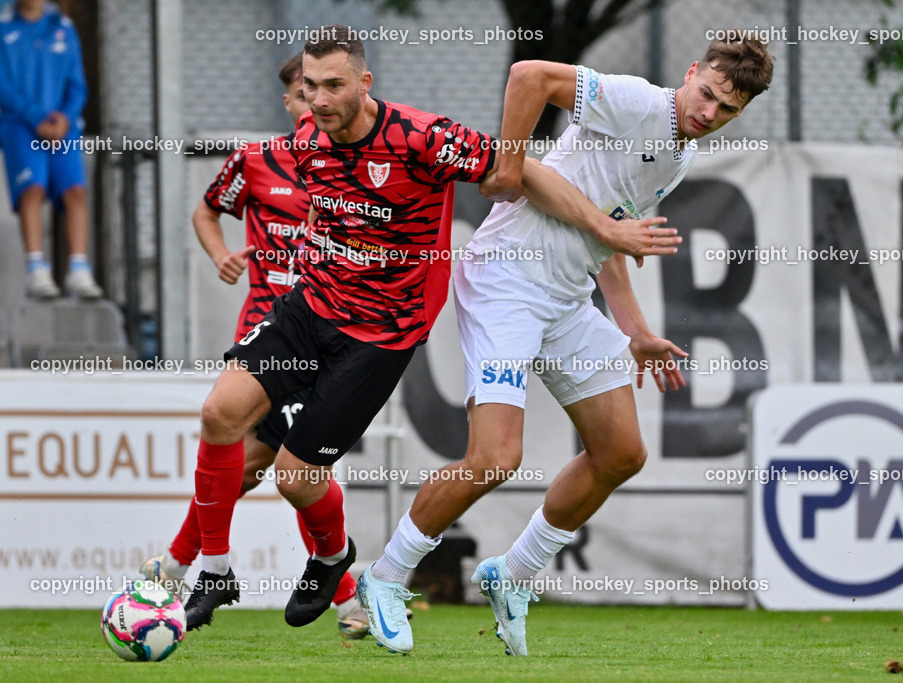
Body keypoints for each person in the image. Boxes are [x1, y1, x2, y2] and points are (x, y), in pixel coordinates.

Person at [178, 25, 677, 634]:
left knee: (296, 477)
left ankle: (337, 559)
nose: (320, 99)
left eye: (335, 85)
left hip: (380, 334)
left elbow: (517, 169)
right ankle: (213, 567)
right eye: (310, 87)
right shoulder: (308, 137)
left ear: (365, 83)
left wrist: (599, 224)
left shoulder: (422, 137)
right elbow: (325, 197)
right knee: (217, 415)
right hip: (310, 306)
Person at [358, 36, 775, 655]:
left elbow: (608, 245)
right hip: (506, 280)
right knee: (495, 457)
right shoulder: (638, 103)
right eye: (707, 93)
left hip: (564, 297)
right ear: (691, 73)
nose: (708, 112)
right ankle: (385, 577)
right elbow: (529, 75)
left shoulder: (678, 154)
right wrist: (508, 164)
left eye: (727, 110)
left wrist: (635, 331)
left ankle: (514, 573)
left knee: (621, 452)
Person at [139, 54, 369, 636]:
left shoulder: (354, 163)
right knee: (260, 460)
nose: (313, 103)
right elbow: (207, 209)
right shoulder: (257, 160)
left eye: (324, 90)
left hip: (333, 331)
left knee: (274, 465)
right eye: (302, 93)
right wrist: (222, 255)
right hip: (271, 329)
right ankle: (345, 600)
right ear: (290, 103)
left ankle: (181, 567)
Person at [0, 0, 102, 299]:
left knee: (75, 192)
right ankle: (37, 269)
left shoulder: (64, 27)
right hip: (20, 125)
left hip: (62, 126)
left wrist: (64, 117)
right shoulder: (4, 23)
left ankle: (79, 269)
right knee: (33, 190)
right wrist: (36, 118)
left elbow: (77, 84)